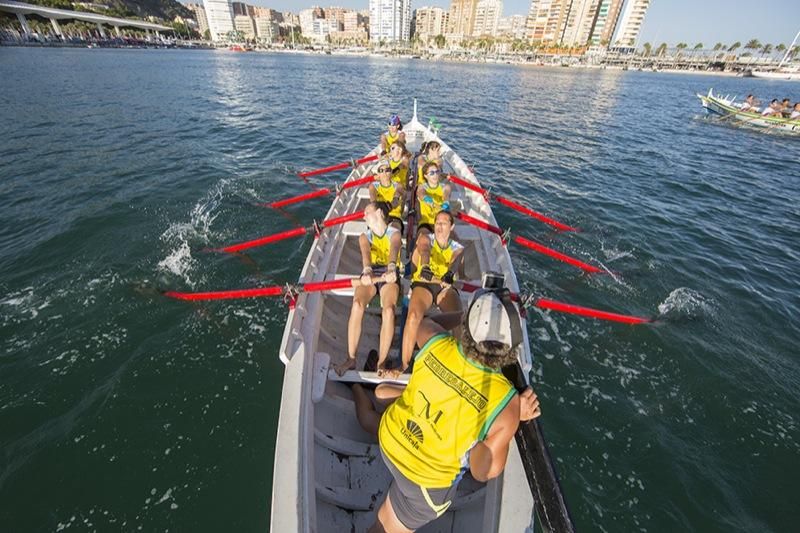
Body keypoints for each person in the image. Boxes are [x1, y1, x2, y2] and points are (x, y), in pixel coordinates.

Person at [368, 283, 542, 533]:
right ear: (510, 348)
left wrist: (463, 317)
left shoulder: (436, 341)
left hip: (391, 438)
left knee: (385, 520)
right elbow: (482, 471)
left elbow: (427, 322)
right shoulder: (507, 403)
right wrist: (515, 417)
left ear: (467, 328)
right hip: (424, 483)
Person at [334, 202, 402, 377]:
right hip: (371, 274)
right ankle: (351, 359)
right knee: (357, 304)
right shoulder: (364, 236)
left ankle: (381, 362)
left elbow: (394, 249)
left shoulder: (394, 233)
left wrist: (392, 268)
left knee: (388, 311)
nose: (363, 216)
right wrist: (366, 270)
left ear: (379, 213)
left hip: (389, 274)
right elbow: (366, 255)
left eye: (366, 212)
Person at [396, 210, 463, 378]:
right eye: (437, 222)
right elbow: (425, 250)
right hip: (424, 282)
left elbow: (455, 260)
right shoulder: (426, 238)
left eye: (444, 223)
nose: (439, 226)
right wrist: (425, 267)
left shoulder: (457, 247)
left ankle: (460, 366)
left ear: (451, 227)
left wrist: (450, 273)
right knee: (413, 316)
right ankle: (404, 364)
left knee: (459, 320)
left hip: (444, 286)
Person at [370, 158, 405, 233]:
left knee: (393, 231)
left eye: (387, 170)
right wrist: (376, 206)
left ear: (391, 172)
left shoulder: (398, 185)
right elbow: (373, 198)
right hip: (379, 215)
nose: (384, 172)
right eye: (381, 170)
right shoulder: (373, 186)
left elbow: (398, 192)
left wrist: (395, 199)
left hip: (394, 216)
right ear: (378, 175)